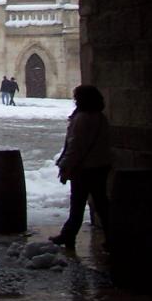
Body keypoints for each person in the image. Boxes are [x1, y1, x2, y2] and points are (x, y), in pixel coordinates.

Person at [50, 85, 112, 250]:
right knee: (102, 204)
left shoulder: (82, 118)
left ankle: (68, 236)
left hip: (84, 169)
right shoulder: (101, 117)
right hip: (101, 166)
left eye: (77, 97)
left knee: (78, 203)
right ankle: (113, 237)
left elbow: (75, 146)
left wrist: (65, 166)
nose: (75, 100)